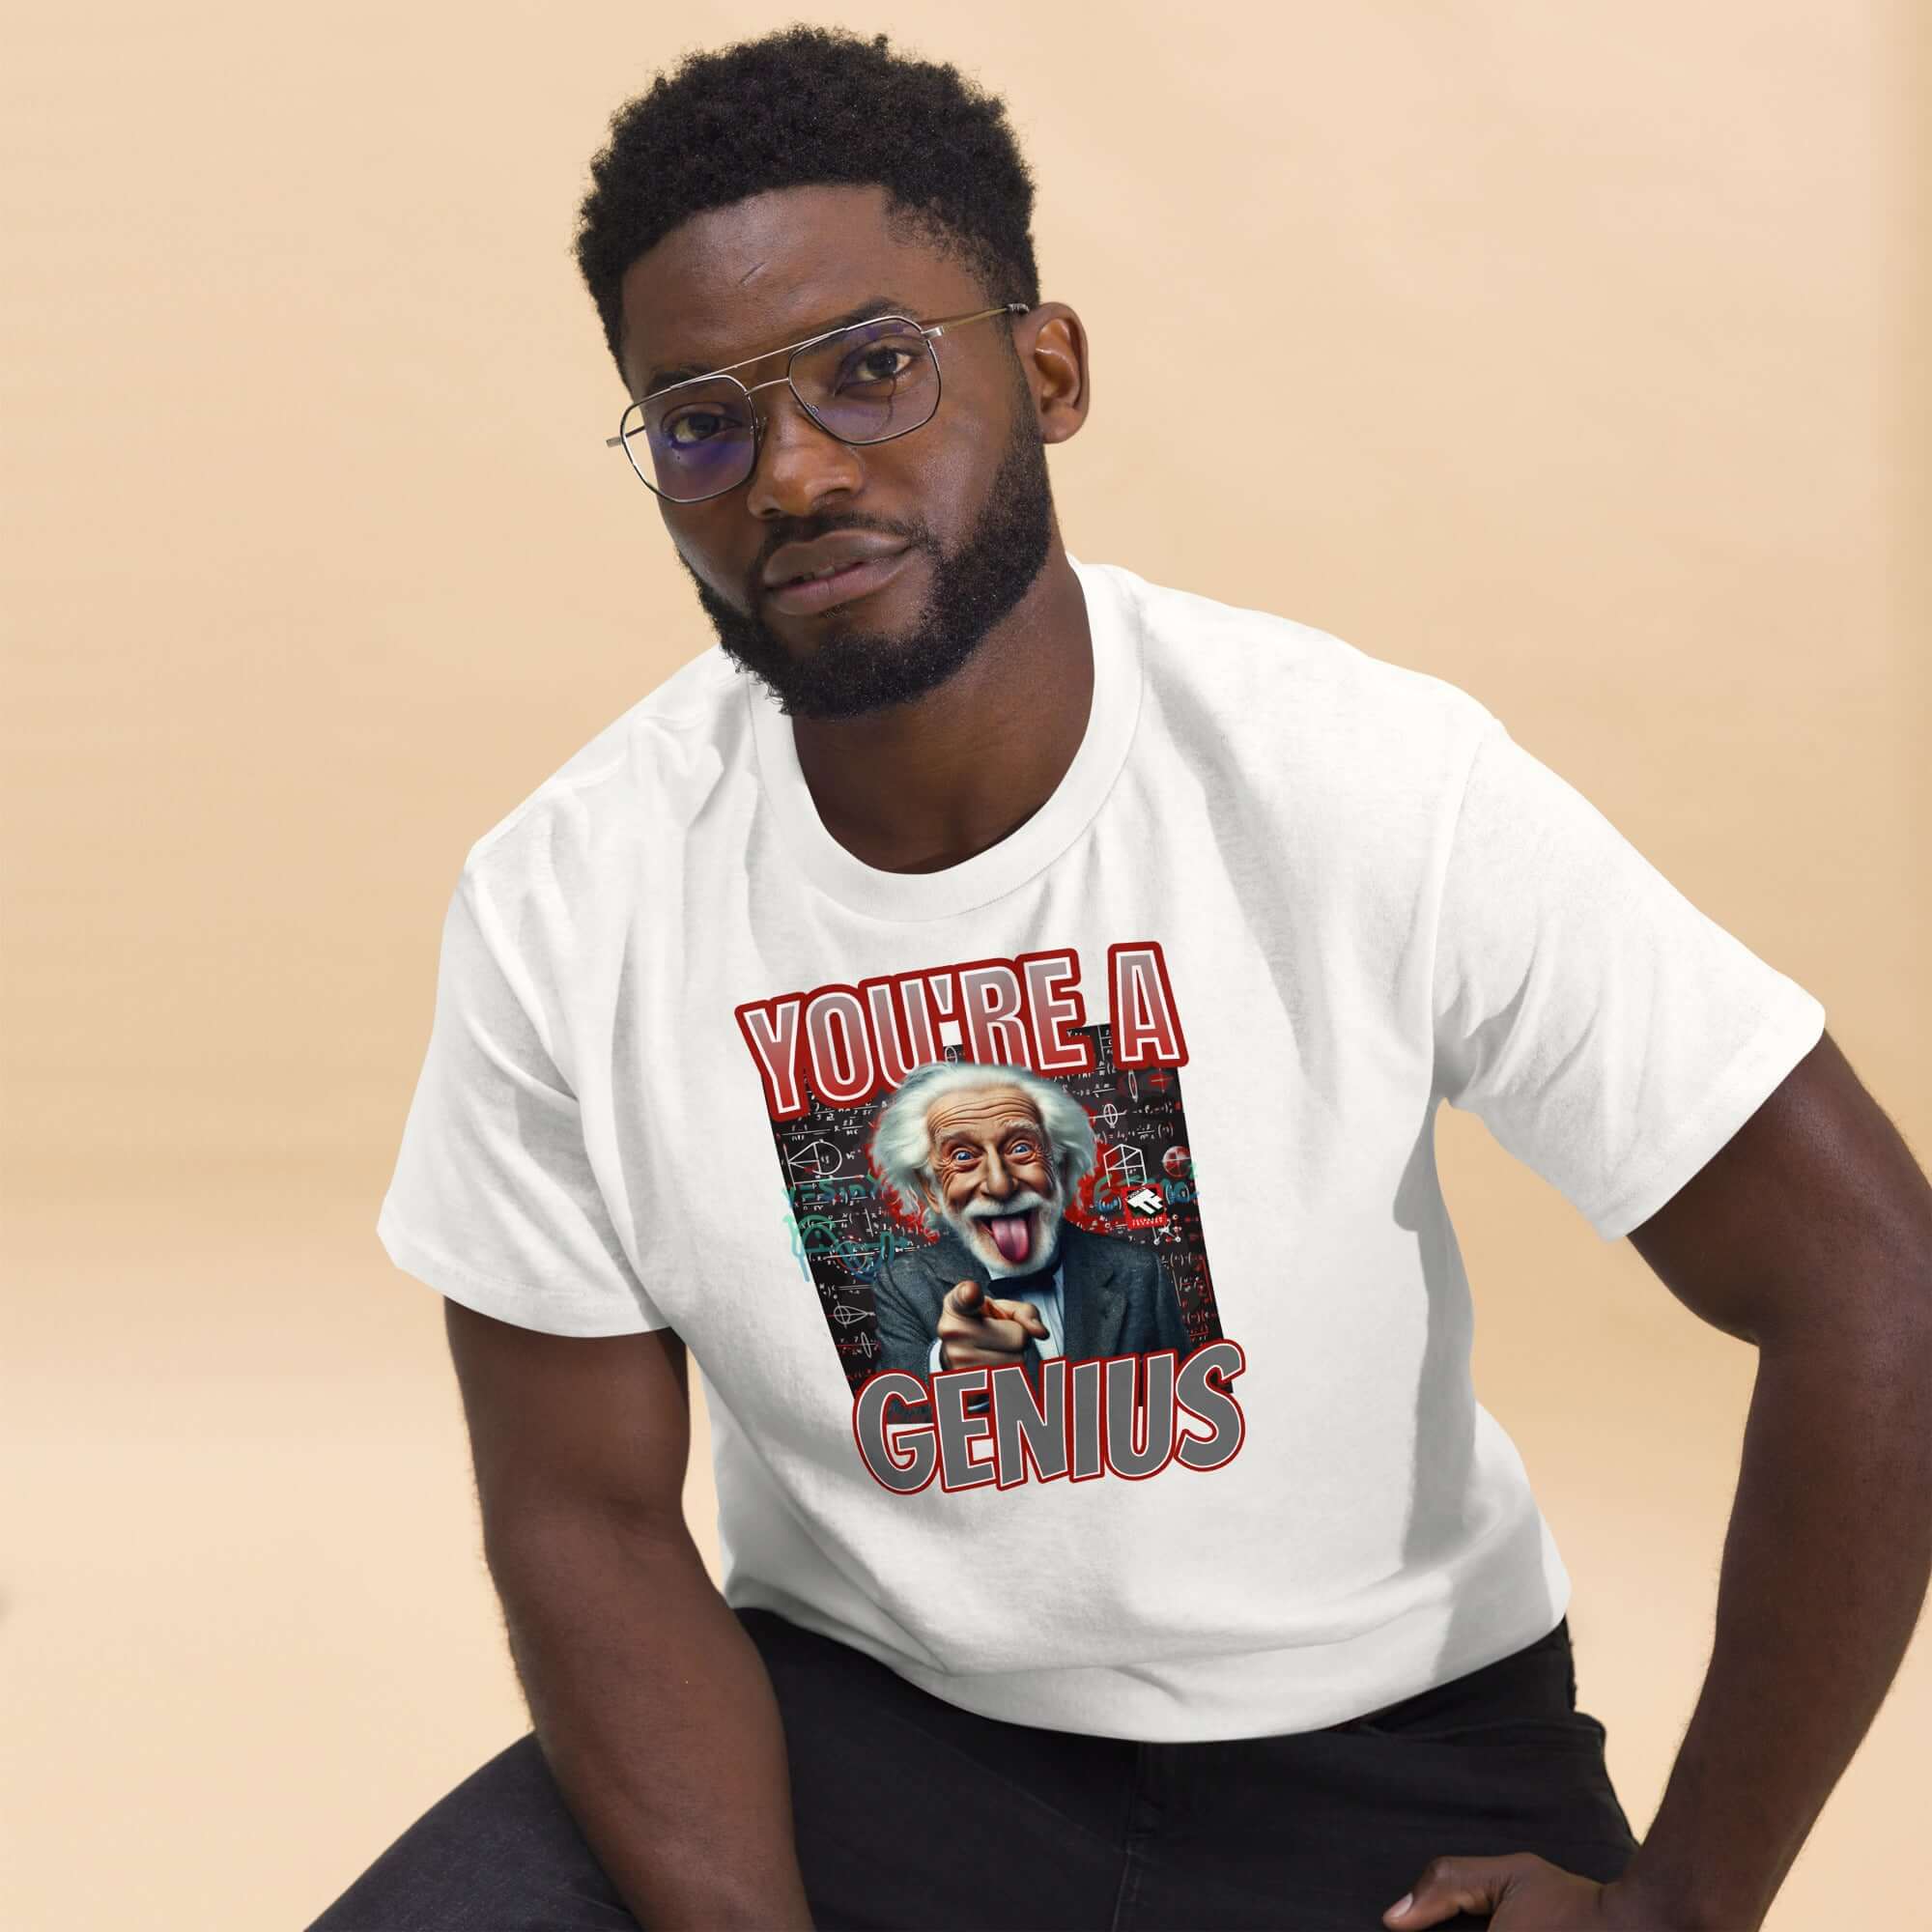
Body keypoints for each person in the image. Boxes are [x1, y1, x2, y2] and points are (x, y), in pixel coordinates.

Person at [308, 25, 1932, 1932]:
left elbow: (1871, 1281)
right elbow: (580, 1513)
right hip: (859, 1738)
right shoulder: (565, 900)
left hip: (1381, 1760)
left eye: (871, 369)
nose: (794, 472)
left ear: (1048, 369)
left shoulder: (1359, 779)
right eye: (700, 423)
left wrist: (1684, 1905)